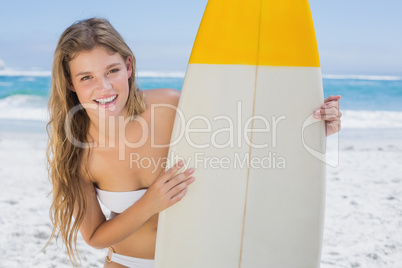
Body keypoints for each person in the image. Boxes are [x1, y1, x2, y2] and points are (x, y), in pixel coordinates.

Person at [46, 18, 342, 268]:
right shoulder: (75, 151)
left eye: (112, 70)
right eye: (87, 77)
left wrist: (313, 130)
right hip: (128, 262)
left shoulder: (174, 108)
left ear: (129, 66)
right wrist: (151, 203)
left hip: (203, 259)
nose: (104, 87)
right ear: (71, 83)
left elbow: (250, 143)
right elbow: (96, 236)